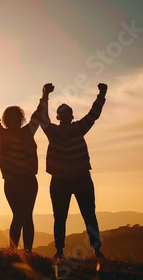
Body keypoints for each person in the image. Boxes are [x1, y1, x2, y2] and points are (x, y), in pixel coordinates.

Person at [38, 83, 107, 259]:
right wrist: (45, 95)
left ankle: (85, 250)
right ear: (61, 116)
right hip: (74, 178)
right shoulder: (71, 129)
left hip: (73, 178)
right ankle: (75, 250)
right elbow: (93, 115)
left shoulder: (59, 130)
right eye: (64, 112)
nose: (65, 115)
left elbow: (93, 114)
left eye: (66, 112)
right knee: (76, 215)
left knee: (77, 215)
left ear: (61, 116)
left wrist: (101, 95)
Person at [0, 81, 46, 252]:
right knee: (19, 215)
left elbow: (38, 114)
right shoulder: (2, 134)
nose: (12, 120)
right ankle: (14, 251)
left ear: (20, 119)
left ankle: (26, 251)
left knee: (26, 216)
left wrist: (45, 95)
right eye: (9, 118)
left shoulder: (27, 131)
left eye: (15, 117)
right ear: (6, 120)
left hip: (28, 180)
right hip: (12, 182)